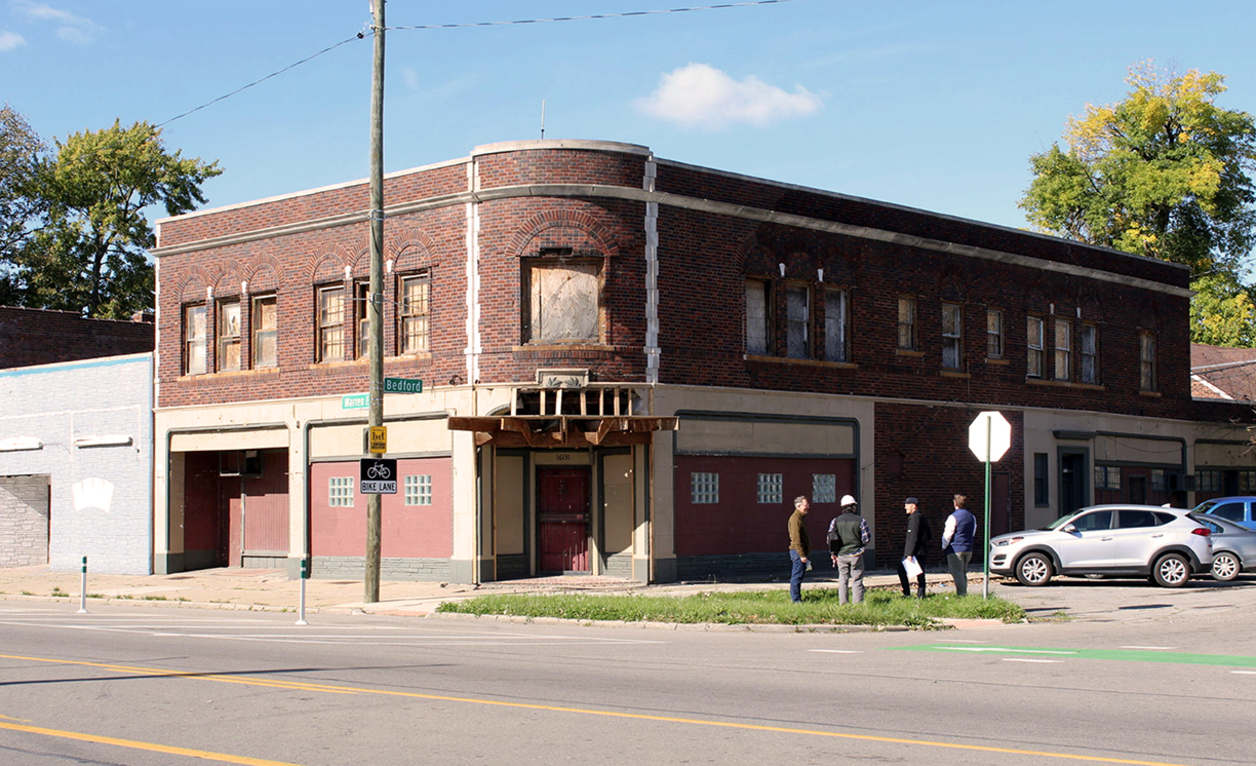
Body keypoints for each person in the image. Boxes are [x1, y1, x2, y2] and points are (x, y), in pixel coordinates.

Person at [827, 494, 870, 605]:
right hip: (856, 554)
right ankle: (858, 603)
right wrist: (859, 545)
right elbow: (866, 539)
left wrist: (833, 553)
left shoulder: (835, 521)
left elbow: (830, 539)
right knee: (857, 580)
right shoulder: (860, 520)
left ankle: (843, 603)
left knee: (843, 580)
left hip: (841, 555)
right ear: (853, 507)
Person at [941, 493, 978, 596]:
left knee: (957, 573)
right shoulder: (972, 516)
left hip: (955, 548)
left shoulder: (953, 517)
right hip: (968, 548)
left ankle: (962, 594)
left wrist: (944, 546)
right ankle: (964, 592)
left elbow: (947, 535)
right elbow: (973, 532)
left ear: (955, 503)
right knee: (963, 572)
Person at [896, 496, 931, 598]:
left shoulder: (914, 518)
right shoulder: (922, 517)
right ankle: (921, 594)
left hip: (915, 552)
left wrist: (909, 553)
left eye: (907, 505)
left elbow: (913, 536)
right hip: (922, 550)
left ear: (913, 506)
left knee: (901, 570)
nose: (905, 507)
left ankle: (907, 593)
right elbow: (929, 535)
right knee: (920, 573)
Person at [786, 495, 811, 603]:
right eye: (806, 505)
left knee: (798, 575)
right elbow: (796, 539)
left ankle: (796, 598)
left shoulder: (799, 518)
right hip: (797, 552)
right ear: (799, 506)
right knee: (797, 576)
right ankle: (796, 599)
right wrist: (802, 555)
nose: (808, 507)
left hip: (798, 552)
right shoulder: (795, 519)